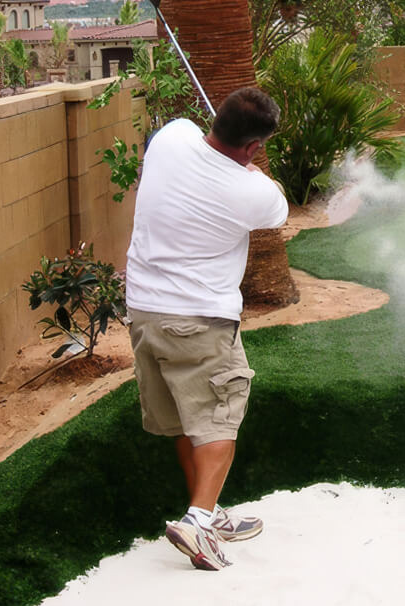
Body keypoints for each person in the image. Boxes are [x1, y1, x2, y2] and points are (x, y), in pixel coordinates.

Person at [125, 87, 288, 571]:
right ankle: (196, 520)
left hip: (144, 314)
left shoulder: (173, 138)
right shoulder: (253, 191)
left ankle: (209, 512)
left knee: (184, 419)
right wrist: (249, 169)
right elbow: (277, 207)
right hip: (199, 321)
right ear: (254, 147)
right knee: (218, 418)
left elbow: (174, 136)